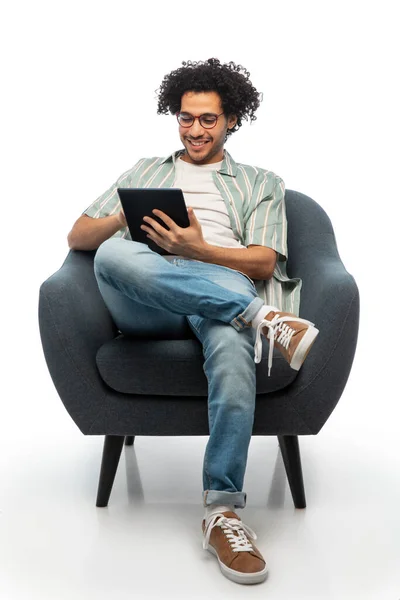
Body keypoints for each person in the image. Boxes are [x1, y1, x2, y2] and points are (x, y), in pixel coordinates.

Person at [67, 58, 319, 585]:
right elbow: (79, 239)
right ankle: (263, 318)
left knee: (231, 354)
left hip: (219, 288)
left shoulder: (260, 182)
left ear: (231, 121)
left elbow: (264, 262)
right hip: (148, 302)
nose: (196, 129)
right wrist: (127, 217)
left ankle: (222, 512)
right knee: (114, 255)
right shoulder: (143, 171)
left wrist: (198, 247)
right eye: (186, 118)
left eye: (208, 119)